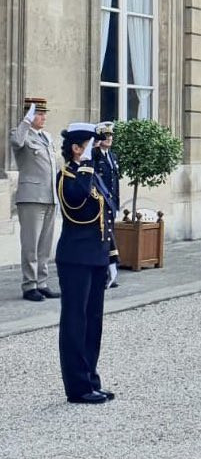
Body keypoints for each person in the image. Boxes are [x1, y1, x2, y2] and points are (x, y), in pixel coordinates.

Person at [56, 122, 119, 404]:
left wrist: (111, 256)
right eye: (90, 145)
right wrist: (86, 167)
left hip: (95, 256)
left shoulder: (91, 175)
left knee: (93, 322)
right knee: (75, 322)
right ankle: (77, 387)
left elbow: (107, 212)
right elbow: (78, 206)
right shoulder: (67, 176)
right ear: (76, 148)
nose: (95, 149)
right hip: (75, 258)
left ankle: (91, 378)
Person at [9, 97, 60, 302]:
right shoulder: (20, 133)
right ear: (29, 115)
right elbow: (16, 142)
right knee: (31, 244)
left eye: (44, 113)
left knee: (45, 245)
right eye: (38, 113)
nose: (43, 117)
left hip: (49, 197)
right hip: (31, 198)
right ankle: (29, 285)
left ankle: (42, 282)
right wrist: (26, 122)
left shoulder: (46, 137)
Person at [94, 121, 121, 288]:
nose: (109, 138)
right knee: (102, 238)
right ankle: (102, 273)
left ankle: (111, 272)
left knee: (111, 236)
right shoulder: (95, 155)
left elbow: (115, 181)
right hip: (100, 202)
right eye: (106, 135)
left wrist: (116, 202)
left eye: (111, 135)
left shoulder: (112, 156)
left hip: (111, 203)